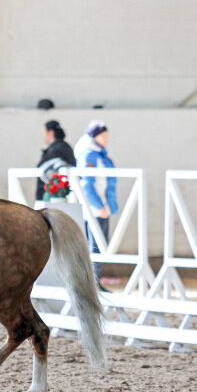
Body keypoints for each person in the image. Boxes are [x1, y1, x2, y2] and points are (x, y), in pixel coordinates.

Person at [74, 120, 118, 286]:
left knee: (99, 245)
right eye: (102, 136)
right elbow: (87, 184)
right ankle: (93, 284)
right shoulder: (90, 155)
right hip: (95, 209)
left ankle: (94, 282)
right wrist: (99, 206)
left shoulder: (98, 154)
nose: (105, 139)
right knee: (95, 246)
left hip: (101, 207)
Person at [35, 120, 76, 202]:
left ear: (50, 133)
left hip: (54, 197)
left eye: (44, 133)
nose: (44, 136)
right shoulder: (63, 147)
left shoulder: (57, 149)